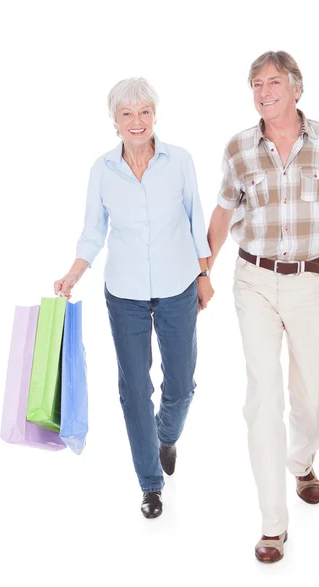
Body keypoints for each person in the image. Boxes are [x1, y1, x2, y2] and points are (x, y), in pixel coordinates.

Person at [206, 51, 319, 563]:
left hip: (312, 281)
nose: (264, 92)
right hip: (254, 280)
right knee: (263, 396)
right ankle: (272, 524)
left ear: (296, 88)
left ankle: (301, 460)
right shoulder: (239, 148)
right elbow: (222, 214)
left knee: (311, 400)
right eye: (256, 85)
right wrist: (204, 270)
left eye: (273, 82)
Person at [55, 77, 213, 519]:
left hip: (179, 287)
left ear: (155, 115)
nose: (136, 121)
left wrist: (204, 275)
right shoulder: (101, 170)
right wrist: (73, 273)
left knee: (180, 385)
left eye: (144, 111)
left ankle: (166, 435)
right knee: (134, 388)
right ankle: (150, 483)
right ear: (115, 122)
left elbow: (195, 218)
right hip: (124, 294)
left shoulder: (179, 161)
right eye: (127, 114)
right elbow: (93, 231)